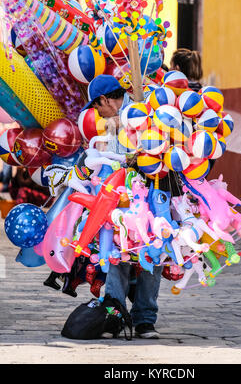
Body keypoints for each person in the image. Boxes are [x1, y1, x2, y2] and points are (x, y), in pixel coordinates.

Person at [82, 74, 162, 339]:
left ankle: (142, 319)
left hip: (152, 196)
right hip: (121, 198)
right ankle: (119, 317)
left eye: (97, 106)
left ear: (105, 99)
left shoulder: (140, 112)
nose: (97, 112)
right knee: (119, 253)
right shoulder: (111, 125)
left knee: (151, 253)